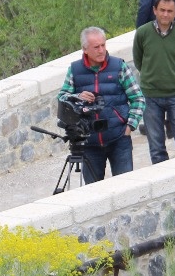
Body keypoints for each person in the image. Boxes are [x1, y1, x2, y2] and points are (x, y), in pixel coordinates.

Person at [57, 26, 145, 184]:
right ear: (85, 49)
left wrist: (129, 127)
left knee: (126, 187)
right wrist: (77, 96)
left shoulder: (119, 66)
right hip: (89, 144)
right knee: (93, 193)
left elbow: (138, 98)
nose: (101, 50)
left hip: (119, 139)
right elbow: (62, 98)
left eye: (103, 45)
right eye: (96, 47)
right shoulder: (75, 70)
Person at [132, 0, 175, 164]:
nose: (165, 15)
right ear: (154, 10)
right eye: (162, 10)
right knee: (156, 148)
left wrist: (174, 77)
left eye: (169, 11)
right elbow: (139, 61)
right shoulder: (143, 33)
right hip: (150, 96)